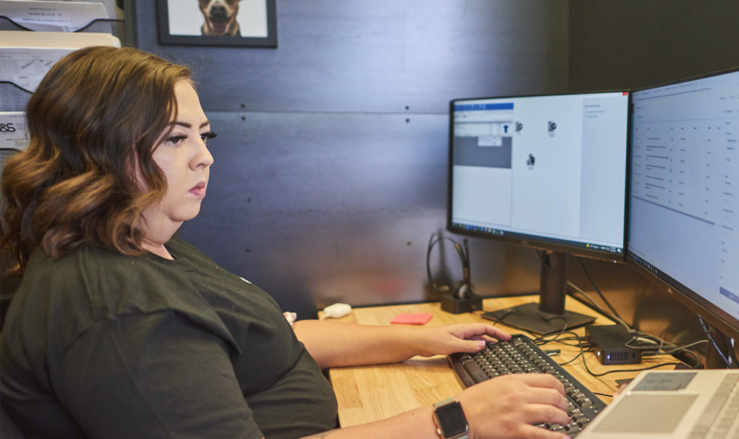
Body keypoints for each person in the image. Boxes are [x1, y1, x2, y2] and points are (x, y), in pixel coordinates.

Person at [0, 46, 572, 439]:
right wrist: (456, 419)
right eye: (174, 139)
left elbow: (271, 338)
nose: (205, 156)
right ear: (95, 150)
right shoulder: (123, 311)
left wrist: (420, 340)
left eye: (203, 134)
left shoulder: (138, 238)